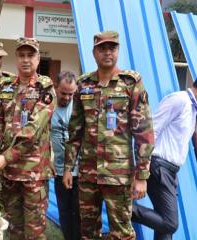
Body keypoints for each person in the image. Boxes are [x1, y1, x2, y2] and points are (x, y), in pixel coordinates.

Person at [63, 31, 154, 240]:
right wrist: (69, 167)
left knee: (121, 233)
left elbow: (144, 132)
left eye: (111, 48)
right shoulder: (84, 85)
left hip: (118, 175)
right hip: (88, 174)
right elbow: (75, 130)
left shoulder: (131, 83)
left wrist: (141, 177)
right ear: (94, 52)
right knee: (87, 231)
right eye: (102, 48)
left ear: (118, 51)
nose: (107, 53)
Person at [0, 37, 56, 240]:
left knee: (34, 232)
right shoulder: (5, 87)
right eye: (22, 55)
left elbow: (33, 130)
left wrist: (5, 157)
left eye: (31, 55)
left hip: (33, 173)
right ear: (16, 58)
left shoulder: (45, 87)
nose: (26, 60)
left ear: (38, 58)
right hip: (8, 174)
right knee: (13, 229)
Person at [132, 81, 197, 240]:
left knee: (163, 227)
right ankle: (123, 207)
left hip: (171, 171)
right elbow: (151, 131)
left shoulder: (192, 109)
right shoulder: (179, 100)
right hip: (158, 166)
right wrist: (142, 169)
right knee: (170, 222)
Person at [51, 71, 80, 240]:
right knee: (64, 214)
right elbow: (43, 136)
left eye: (71, 94)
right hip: (59, 172)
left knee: (79, 215)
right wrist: (49, 159)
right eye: (64, 93)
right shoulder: (48, 108)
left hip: (79, 171)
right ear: (56, 88)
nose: (68, 98)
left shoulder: (78, 108)